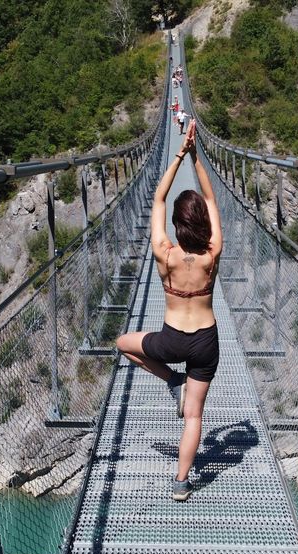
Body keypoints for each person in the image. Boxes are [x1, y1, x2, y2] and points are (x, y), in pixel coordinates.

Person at [116, 121, 222, 502]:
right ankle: (181, 483)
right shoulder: (213, 252)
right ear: (204, 225)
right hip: (207, 342)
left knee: (123, 343)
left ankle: (171, 381)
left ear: (177, 227)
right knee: (194, 417)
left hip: (171, 340)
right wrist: (197, 157)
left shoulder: (165, 253)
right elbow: (211, 200)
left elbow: (158, 199)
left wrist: (178, 155)